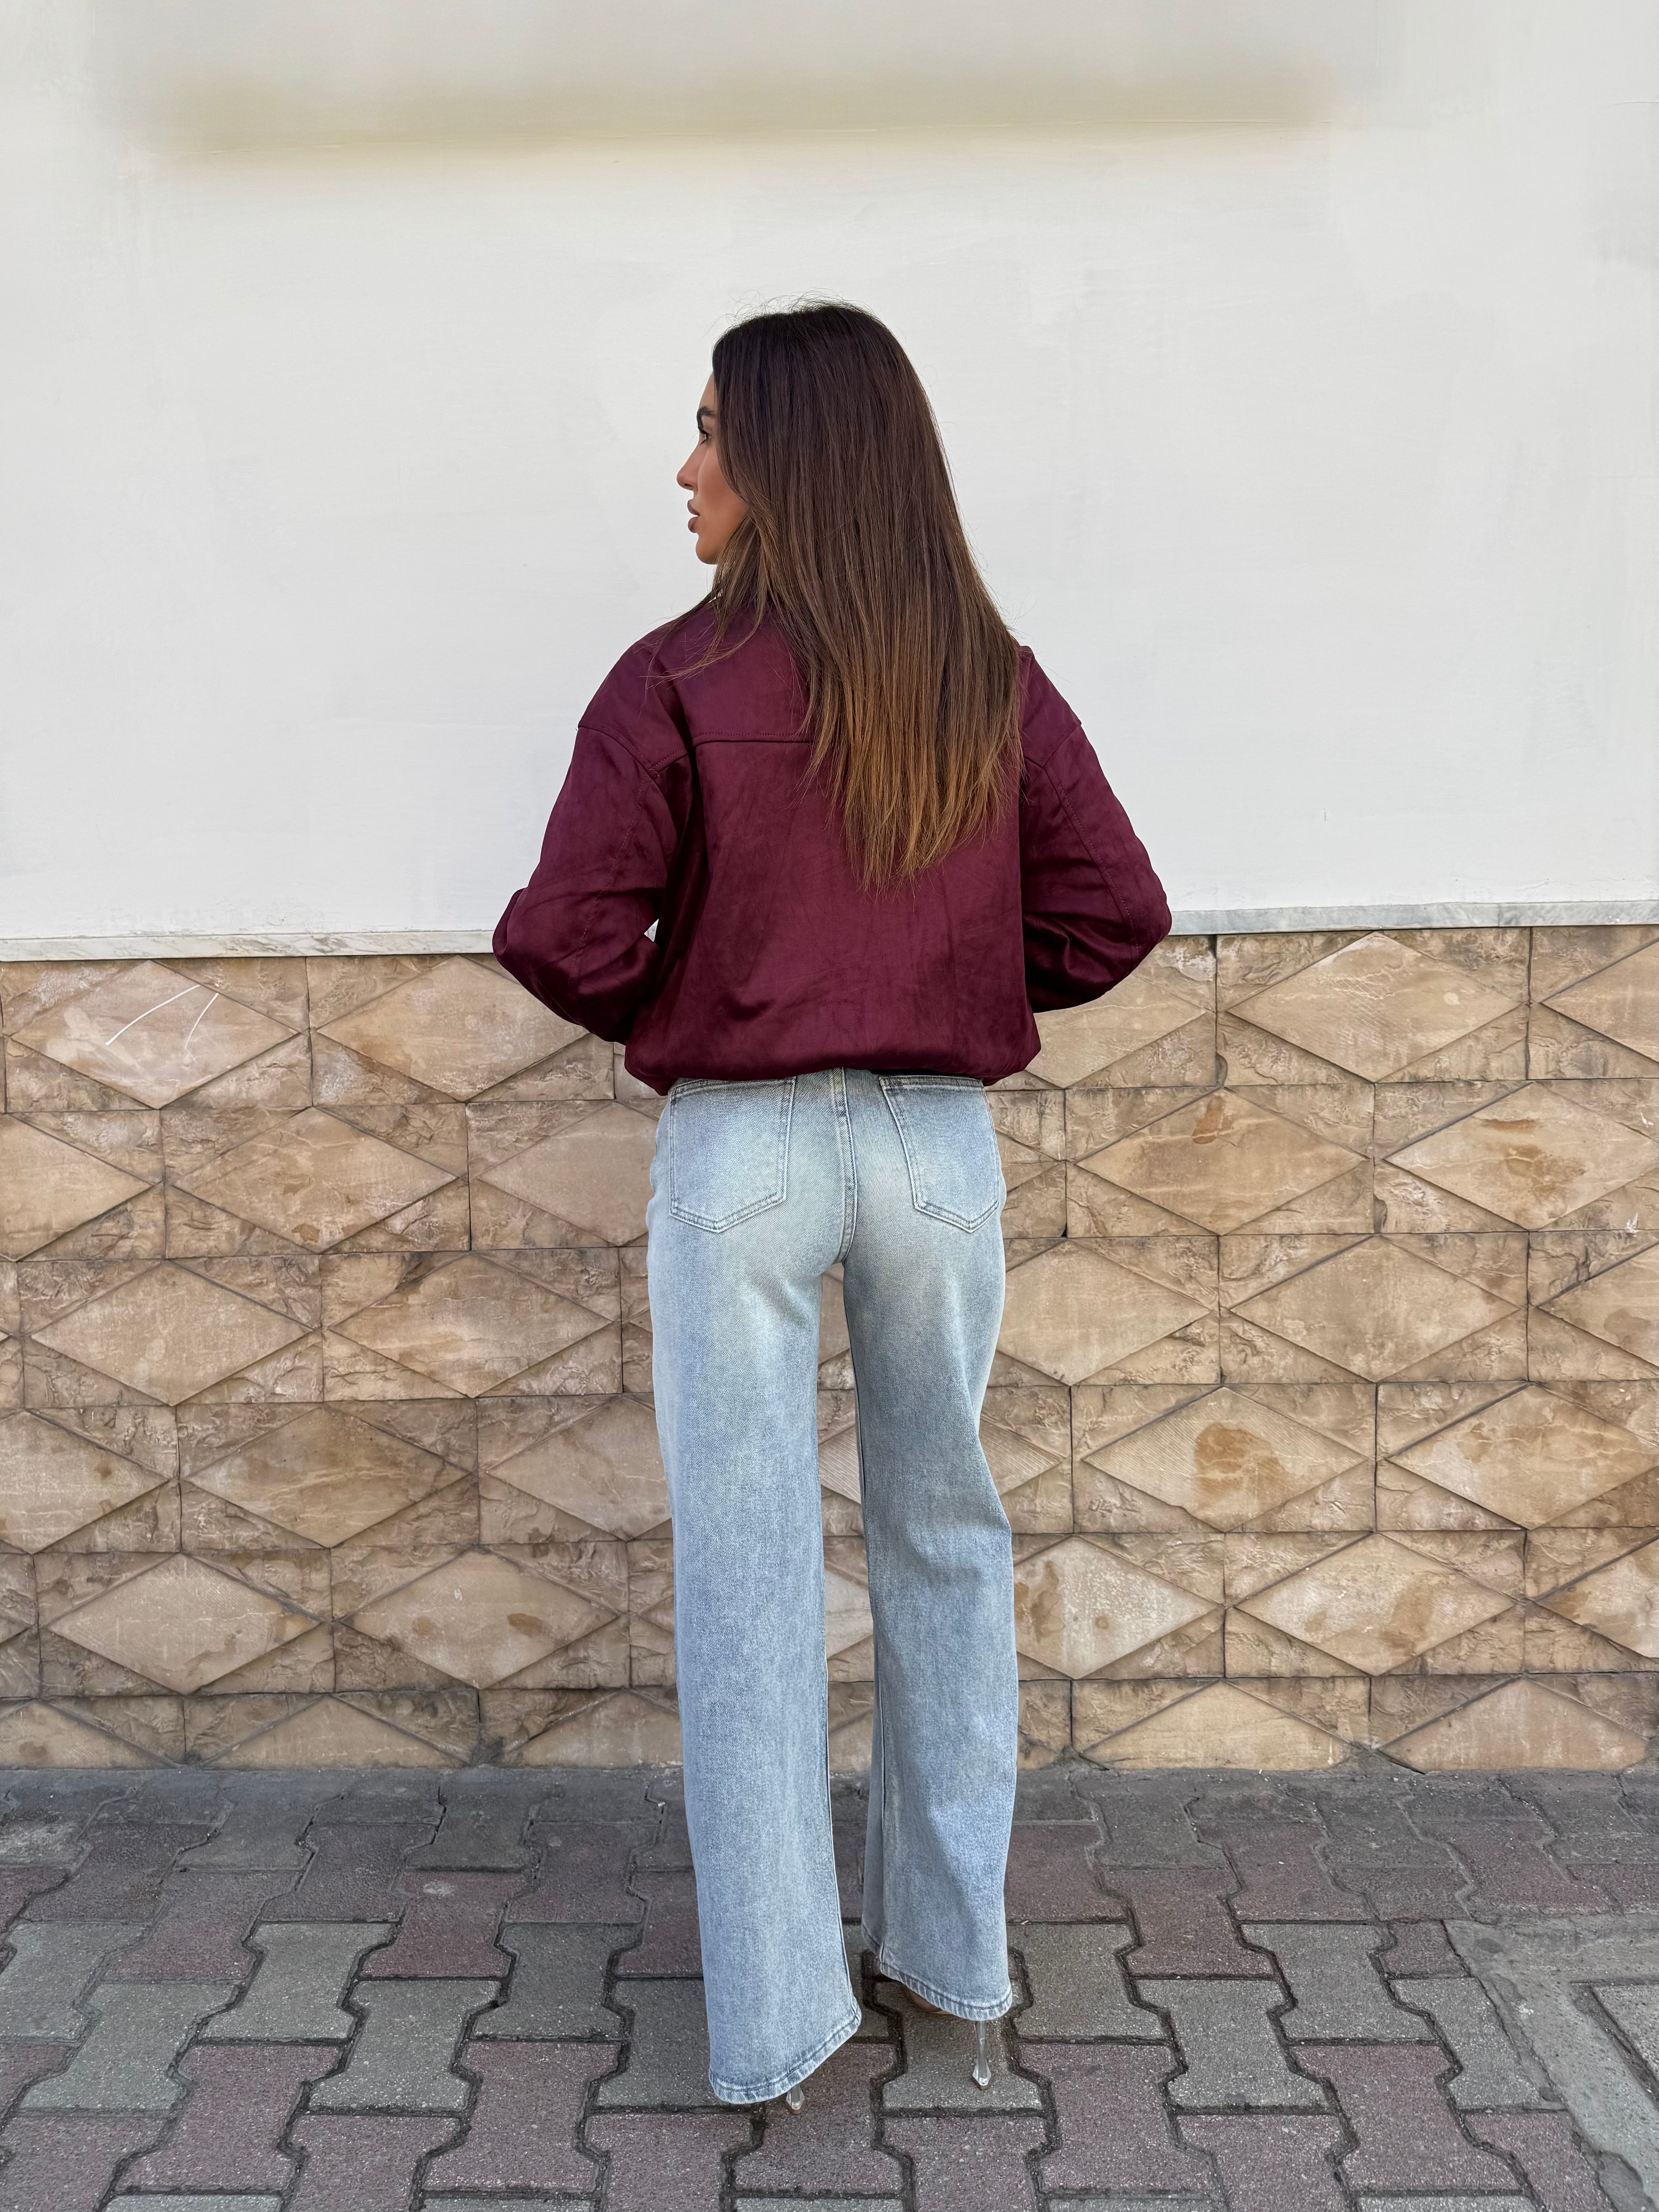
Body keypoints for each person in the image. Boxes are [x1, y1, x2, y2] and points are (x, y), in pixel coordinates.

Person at [494, 301, 1168, 2109]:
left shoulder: (673, 678)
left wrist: (710, 1003)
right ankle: (953, 1975)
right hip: (937, 1152)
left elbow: (563, 934)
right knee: (944, 1537)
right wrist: (951, 991)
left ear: (787, 455)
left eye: (712, 432)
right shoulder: (985, 677)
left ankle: (781, 2025)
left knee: (747, 1565)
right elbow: (1115, 911)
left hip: (747, 1154)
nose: (685, 468)